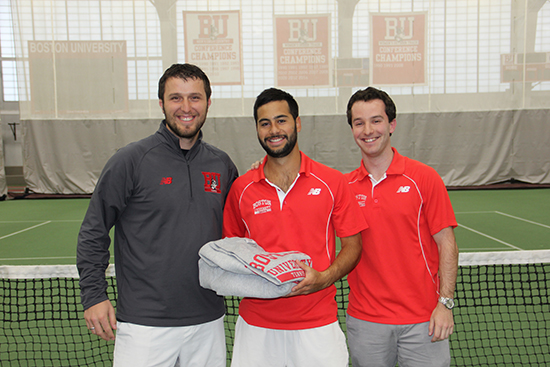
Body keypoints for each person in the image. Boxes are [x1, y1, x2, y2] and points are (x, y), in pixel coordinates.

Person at [77, 63, 238, 367]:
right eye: (176, 98)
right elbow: (94, 231)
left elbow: (238, 232)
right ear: (161, 103)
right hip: (144, 325)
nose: (186, 107)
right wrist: (94, 296)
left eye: (195, 98)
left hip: (207, 320)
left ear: (208, 103)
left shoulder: (222, 164)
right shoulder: (130, 160)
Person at [222, 87, 368, 367]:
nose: (274, 129)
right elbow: (232, 251)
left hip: (317, 326)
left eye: (281, 120)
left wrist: (325, 277)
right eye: (264, 123)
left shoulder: (332, 182)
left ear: (297, 123)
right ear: (256, 129)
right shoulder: (242, 189)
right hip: (256, 328)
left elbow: (353, 245)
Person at [344, 87, 459, 367]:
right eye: (359, 123)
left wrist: (445, 304)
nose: (368, 130)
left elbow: (447, 244)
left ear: (391, 124)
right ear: (352, 129)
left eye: (376, 120)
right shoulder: (343, 187)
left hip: (423, 321)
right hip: (366, 322)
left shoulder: (425, 178)